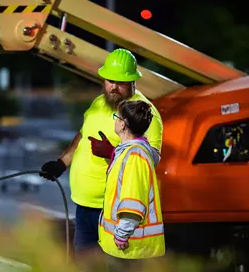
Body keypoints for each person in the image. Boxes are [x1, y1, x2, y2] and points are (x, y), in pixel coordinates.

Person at [39, 48, 163, 265]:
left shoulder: (143, 114)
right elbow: (83, 134)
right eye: (109, 80)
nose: (113, 87)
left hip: (111, 212)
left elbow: (150, 160)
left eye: (120, 81)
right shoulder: (98, 103)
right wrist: (62, 162)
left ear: (133, 81)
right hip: (84, 205)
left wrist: (111, 153)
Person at [98, 100, 165, 272]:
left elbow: (133, 200)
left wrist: (121, 235)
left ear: (123, 124)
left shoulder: (134, 156)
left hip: (130, 247)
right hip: (127, 246)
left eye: (117, 117)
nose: (115, 120)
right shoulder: (129, 151)